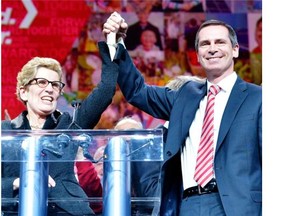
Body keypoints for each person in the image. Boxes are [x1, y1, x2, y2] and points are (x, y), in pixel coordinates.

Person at [102, 13, 262, 216]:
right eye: (205, 44)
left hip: (241, 208)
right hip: (188, 205)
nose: (212, 49)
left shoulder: (259, 98)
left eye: (220, 42)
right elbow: (137, 91)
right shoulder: (185, 96)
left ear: (235, 50)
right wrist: (117, 43)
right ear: (197, 55)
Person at [1, 42, 120, 215]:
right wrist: (18, 182)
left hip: (67, 211)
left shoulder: (69, 126)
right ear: (24, 92)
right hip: (17, 209)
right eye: (41, 82)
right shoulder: (5, 133)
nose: (50, 89)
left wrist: (111, 44)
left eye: (55, 85)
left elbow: (107, 90)